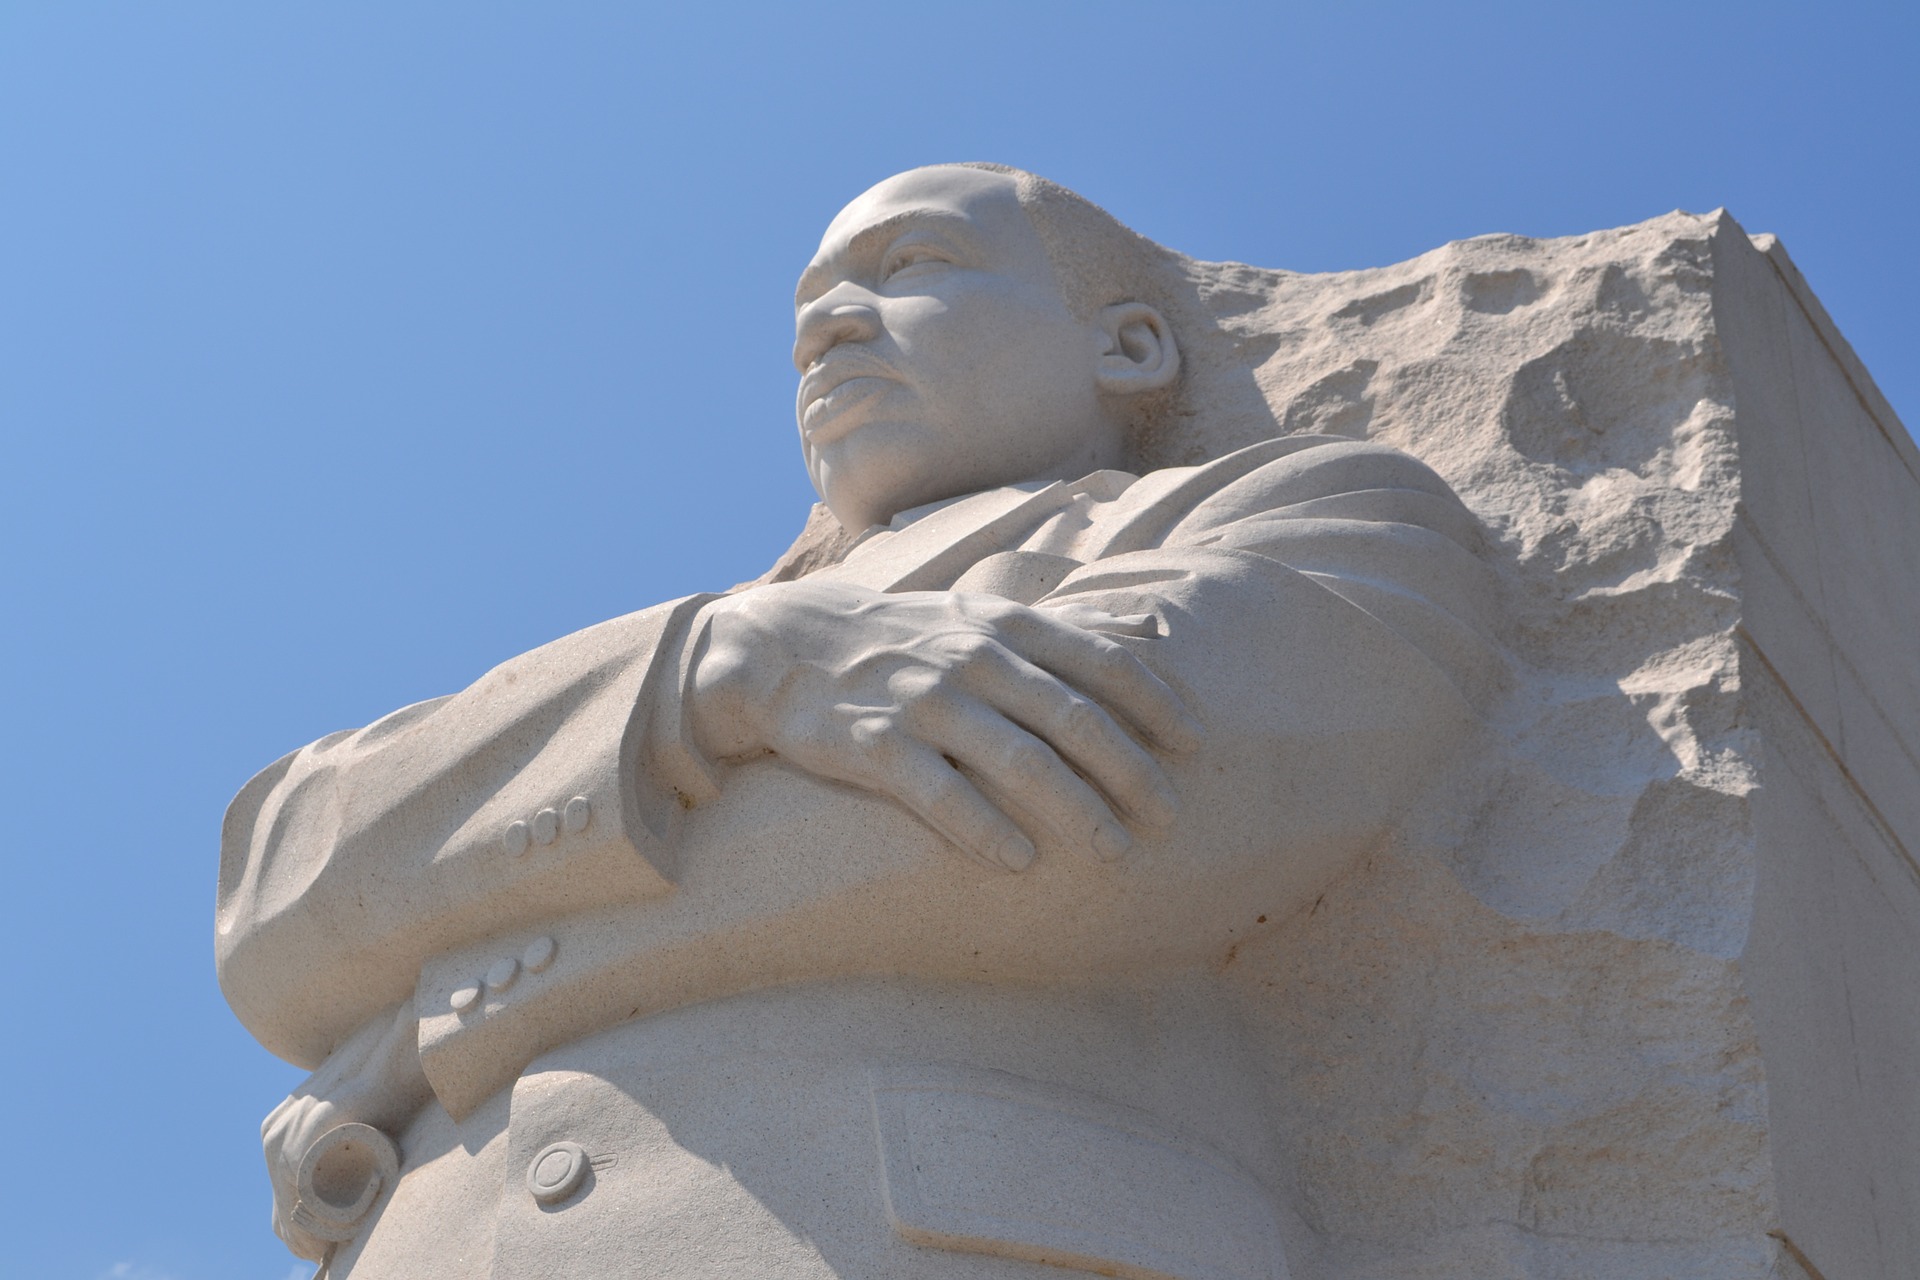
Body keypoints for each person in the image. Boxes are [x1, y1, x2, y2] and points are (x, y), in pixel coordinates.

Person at [219, 163, 1500, 1278]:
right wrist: (725, 665)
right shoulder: (685, 642)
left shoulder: (1315, 513)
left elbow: (1078, 793)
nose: (824, 324)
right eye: (803, 312)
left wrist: (437, 1007)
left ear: (1129, 348)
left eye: (911, 264)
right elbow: (278, 891)